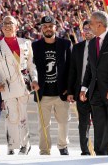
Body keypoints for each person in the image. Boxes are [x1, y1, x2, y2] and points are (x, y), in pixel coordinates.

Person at [0, 16, 39, 155]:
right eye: (5, 23)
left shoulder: (26, 43)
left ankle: (25, 145)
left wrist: (34, 80)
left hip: (24, 86)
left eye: (11, 23)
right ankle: (11, 146)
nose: (8, 26)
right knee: (11, 116)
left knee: (23, 116)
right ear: (2, 28)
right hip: (7, 87)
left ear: (17, 26)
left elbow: (31, 65)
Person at [80, 11, 108, 155]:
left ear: (99, 24)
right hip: (96, 91)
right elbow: (90, 67)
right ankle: (101, 152)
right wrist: (84, 87)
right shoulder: (92, 43)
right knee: (99, 122)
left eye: (91, 23)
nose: (89, 26)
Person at [32, 16, 72, 155]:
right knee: (43, 125)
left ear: (56, 27)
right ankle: (44, 150)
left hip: (62, 91)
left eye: (50, 26)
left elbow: (71, 68)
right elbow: (31, 67)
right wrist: (33, 81)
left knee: (63, 122)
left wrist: (69, 87)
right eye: (45, 26)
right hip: (43, 92)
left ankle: (63, 146)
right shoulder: (35, 46)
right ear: (41, 29)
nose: (48, 28)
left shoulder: (66, 44)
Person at [67, 20, 94, 155]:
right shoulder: (77, 48)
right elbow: (72, 71)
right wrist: (71, 91)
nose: (87, 31)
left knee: (100, 123)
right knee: (83, 123)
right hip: (81, 92)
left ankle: (101, 150)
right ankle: (85, 150)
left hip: (97, 92)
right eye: (85, 29)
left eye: (90, 28)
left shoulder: (102, 46)